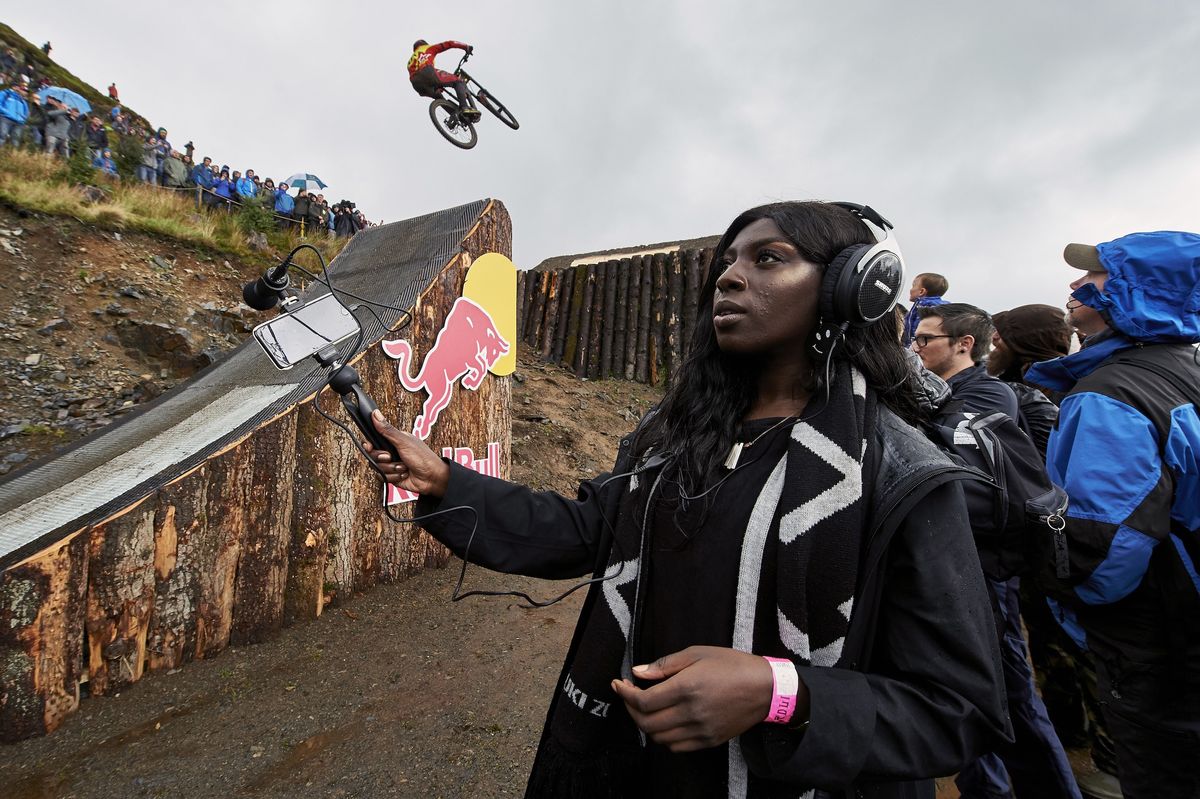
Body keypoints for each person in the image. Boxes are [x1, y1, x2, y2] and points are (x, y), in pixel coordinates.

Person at [364, 200, 1008, 797]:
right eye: (727, 262)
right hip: (631, 769)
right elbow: (588, 532)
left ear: (849, 288)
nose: (729, 277)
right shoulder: (670, 436)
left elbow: (956, 710)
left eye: (768, 259)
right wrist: (446, 481)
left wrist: (778, 693)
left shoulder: (901, 474)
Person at [1024, 233, 1200, 799]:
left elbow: (1105, 553)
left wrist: (1062, 598)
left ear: (1136, 291)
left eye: (1093, 276)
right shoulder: (1182, 370)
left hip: (1157, 643)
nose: (1074, 286)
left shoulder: (1110, 394)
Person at [913, 303, 1081, 799]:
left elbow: (949, 461)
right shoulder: (942, 394)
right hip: (950, 560)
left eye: (926, 340)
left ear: (964, 344)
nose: (916, 349)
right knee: (957, 688)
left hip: (987, 564)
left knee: (1011, 695)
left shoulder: (987, 393)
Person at [988, 303, 1122, 799]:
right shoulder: (1045, 384)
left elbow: (1048, 476)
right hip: (1049, 548)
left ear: (1019, 341)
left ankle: (1109, 760)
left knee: (1085, 647)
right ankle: (1073, 733)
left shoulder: (1045, 395)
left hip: (1066, 546)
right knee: (1052, 647)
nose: (991, 346)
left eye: (999, 338)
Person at [407, 39, 480, 120]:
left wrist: (437, 84)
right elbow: (449, 43)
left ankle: (456, 116)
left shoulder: (410, 61)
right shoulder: (426, 48)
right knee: (458, 82)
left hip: (417, 85)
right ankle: (464, 107)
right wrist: (466, 47)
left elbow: (418, 76)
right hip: (427, 72)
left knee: (438, 97)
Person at [901, 272, 948, 347]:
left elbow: (918, 329)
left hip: (918, 346)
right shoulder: (921, 305)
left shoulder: (927, 307)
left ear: (921, 291)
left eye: (913, 286)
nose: (910, 290)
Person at [0, 82, 28, 146]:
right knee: (2, 135)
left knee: (16, 139)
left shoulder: (21, 98)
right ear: (13, 87)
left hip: (19, 122)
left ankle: (13, 154)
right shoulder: (5, 93)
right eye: (17, 86)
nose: (18, 88)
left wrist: (23, 118)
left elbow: (26, 111)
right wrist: (5, 111)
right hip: (6, 118)